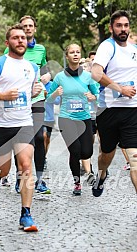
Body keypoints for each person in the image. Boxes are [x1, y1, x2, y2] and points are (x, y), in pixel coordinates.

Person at [0, 23, 42, 231]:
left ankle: (26, 214)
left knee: (26, 166)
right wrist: (1, 96)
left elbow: (27, 94)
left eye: (23, 38)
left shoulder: (33, 68)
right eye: (16, 38)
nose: (21, 41)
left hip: (24, 124)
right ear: (8, 42)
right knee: (5, 169)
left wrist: (36, 92)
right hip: (0, 124)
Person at [91, 10, 137, 197]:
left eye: (126, 25)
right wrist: (120, 89)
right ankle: (101, 176)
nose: (123, 29)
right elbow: (96, 73)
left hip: (132, 110)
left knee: (134, 159)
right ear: (111, 28)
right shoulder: (107, 47)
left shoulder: (134, 49)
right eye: (119, 26)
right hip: (108, 110)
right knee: (106, 155)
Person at [5, 15, 51, 194]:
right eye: (25, 26)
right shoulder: (9, 50)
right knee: (21, 139)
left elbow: (45, 69)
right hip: (19, 99)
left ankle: (39, 180)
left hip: (37, 98)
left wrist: (46, 78)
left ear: (35, 29)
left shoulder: (40, 49)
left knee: (40, 137)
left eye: (31, 26)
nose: (28, 28)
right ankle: (20, 176)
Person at [47, 43, 98, 195]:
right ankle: (77, 183)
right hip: (66, 119)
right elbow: (49, 99)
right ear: (67, 56)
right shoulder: (60, 77)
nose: (75, 54)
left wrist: (92, 97)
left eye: (77, 52)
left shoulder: (88, 77)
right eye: (72, 52)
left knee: (86, 152)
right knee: (75, 151)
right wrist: (56, 93)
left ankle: (83, 169)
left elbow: (98, 96)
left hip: (84, 118)